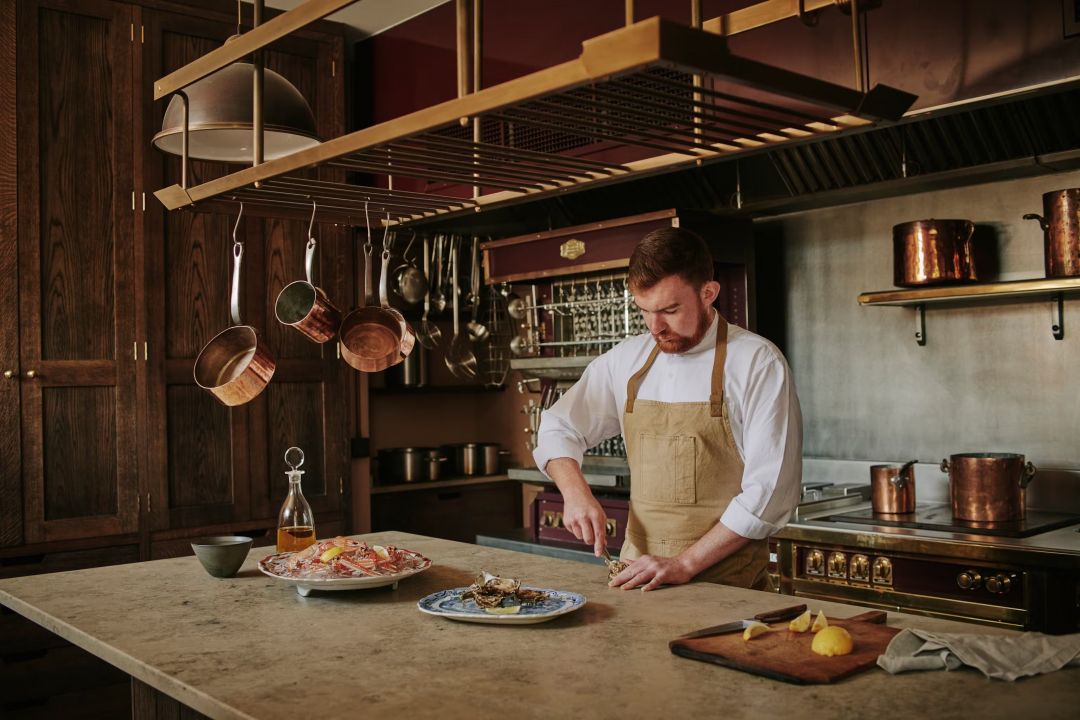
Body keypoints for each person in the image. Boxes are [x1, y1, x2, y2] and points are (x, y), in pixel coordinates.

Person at [533, 227, 802, 591]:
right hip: (638, 583)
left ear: (708, 293)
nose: (655, 327)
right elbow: (558, 426)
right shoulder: (626, 360)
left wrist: (684, 564)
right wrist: (576, 492)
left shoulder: (757, 362)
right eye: (644, 311)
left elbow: (770, 494)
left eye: (670, 310)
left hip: (728, 590)